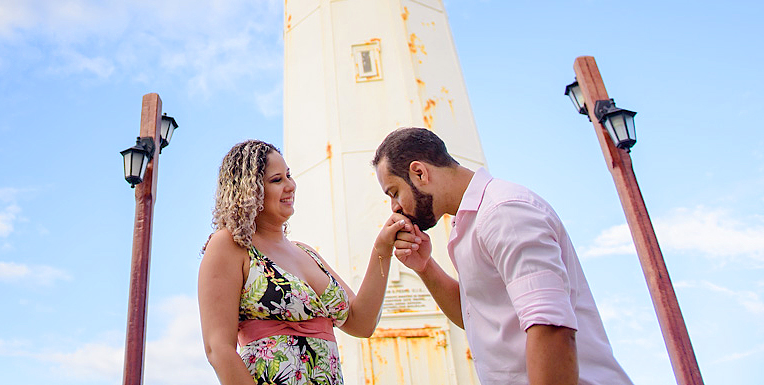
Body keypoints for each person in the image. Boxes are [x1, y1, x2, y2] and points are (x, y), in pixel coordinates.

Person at [372, 127, 634, 385]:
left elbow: (550, 325)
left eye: (394, 192)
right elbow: (477, 318)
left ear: (419, 172)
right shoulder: (472, 221)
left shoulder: (503, 212)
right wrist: (425, 266)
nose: (395, 207)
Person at [198, 139, 411, 385]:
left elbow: (362, 323)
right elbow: (218, 348)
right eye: (277, 180)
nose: (291, 185)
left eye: (289, 175)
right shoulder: (230, 245)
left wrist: (383, 248)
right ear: (249, 190)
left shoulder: (307, 253)